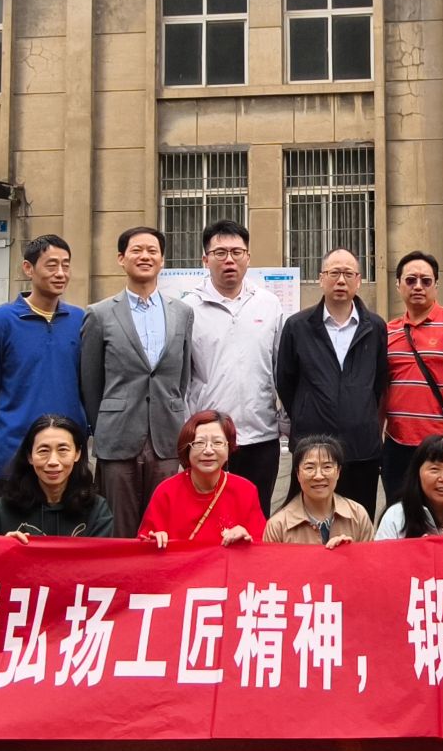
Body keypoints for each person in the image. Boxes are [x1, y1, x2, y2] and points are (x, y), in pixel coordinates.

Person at [81, 225, 195, 536]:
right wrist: (104, 422)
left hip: (166, 435)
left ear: (162, 260)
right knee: (120, 526)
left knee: (165, 525)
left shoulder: (182, 313)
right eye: (137, 250)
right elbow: (90, 382)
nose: (145, 256)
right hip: (117, 435)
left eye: (152, 251)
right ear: (121, 258)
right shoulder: (99, 314)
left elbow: (182, 378)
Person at [275, 247, 391, 518]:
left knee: (358, 520)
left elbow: (378, 383)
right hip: (312, 446)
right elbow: (286, 382)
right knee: (308, 522)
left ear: (358, 280)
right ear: (321, 278)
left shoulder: (375, 327)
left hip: (361, 447)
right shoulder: (297, 326)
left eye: (348, 274)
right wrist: (307, 411)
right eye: (334, 273)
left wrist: (357, 410)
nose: (341, 281)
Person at [182, 219, 286, 516]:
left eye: (237, 252)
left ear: (248, 257)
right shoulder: (188, 308)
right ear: (205, 259)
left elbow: (281, 368)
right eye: (220, 253)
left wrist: (284, 420)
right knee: (208, 518)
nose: (229, 260)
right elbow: (181, 377)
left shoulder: (268, 304)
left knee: (256, 516)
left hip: (260, 436)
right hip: (208, 441)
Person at [0, 233, 88, 497]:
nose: (60, 273)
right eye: (51, 265)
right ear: (28, 268)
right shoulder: (1, 320)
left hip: (67, 453)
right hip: (15, 452)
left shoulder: (79, 319)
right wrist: (1, 433)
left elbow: (88, 383)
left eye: (66, 265)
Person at [381, 250, 443, 508]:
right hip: (397, 444)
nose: (418, 286)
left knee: (442, 514)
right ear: (398, 284)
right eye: (410, 280)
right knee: (398, 514)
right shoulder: (388, 331)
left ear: (436, 285)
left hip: (440, 445)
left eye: (426, 281)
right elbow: (382, 388)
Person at [139, 410, 267, 548]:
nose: (208, 451)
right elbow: (144, 544)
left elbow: (262, 547)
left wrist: (247, 537)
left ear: (228, 448)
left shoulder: (245, 491)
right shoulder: (166, 492)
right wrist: (154, 541)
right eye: (199, 443)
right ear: (187, 449)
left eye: (217, 442)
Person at [0, 415, 114, 539]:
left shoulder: (96, 510)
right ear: (29, 456)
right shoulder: (2, 510)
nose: (53, 461)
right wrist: (4, 547)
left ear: (77, 454)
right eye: (43, 451)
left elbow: (102, 556)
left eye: (63, 450)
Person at [264, 435, 376, 546]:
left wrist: (348, 552)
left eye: (327, 467)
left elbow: (369, 556)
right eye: (309, 468)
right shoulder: (278, 526)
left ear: (338, 472)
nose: (318, 476)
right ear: (298, 474)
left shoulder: (358, 515)